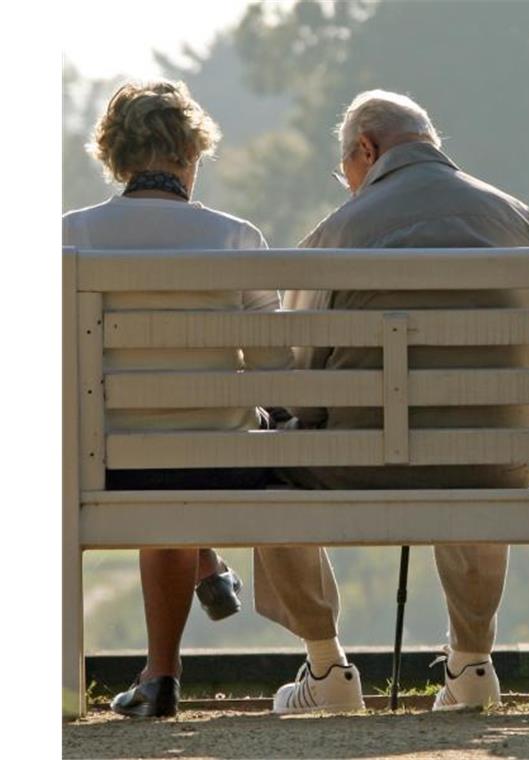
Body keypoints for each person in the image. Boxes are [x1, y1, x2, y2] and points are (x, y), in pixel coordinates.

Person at [255, 89, 529, 714]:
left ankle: (326, 670)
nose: (349, 187)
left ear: (365, 149)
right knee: (483, 436)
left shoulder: (339, 232)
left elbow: (299, 389)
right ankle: (472, 666)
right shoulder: (514, 216)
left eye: (348, 173)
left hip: (359, 464)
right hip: (497, 464)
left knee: (264, 468)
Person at [62, 80, 294, 717]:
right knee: (186, 456)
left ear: (117, 156)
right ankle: (190, 600)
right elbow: (278, 373)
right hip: (220, 463)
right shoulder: (235, 237)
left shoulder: (69, 237)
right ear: (191, 154)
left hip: (103, 461)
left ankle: (161, 669)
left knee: (152, 462)